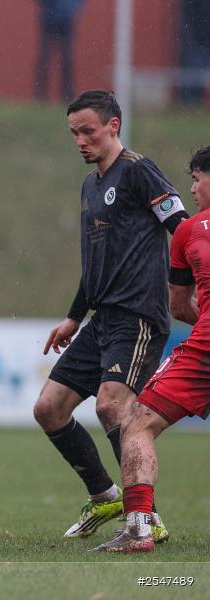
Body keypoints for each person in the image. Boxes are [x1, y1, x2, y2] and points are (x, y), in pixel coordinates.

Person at [34, 90, 188, 543]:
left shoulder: (139, 171)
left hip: (139, 316)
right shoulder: (90, 186)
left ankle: (147, 519)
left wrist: (188, 285)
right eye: (74, 133)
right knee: (49, 409)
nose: (80, 140)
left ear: (114, 126)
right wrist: (72, 317)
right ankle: (105, 495)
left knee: (111, 406)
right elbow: (97, 263)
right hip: (101, 319)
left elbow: (182, 228)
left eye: (88, 130)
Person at [93, 146, 210, 552]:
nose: (192, 188)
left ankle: (140, 529)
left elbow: (179, 305)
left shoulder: (189, 232)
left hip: (204, 349)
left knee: (137, 424)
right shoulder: (184, 229)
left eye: (197, 178)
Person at [33, 0, 85, 102]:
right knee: (45, 58)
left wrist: (71, 9)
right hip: (49, 19)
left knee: (66, 60)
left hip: (65, 20)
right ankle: (40, 95)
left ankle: (67, 96)